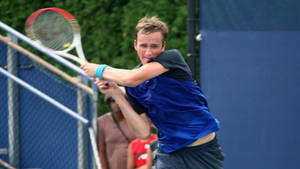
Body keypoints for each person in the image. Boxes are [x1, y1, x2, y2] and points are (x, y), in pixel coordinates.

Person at [81, 16, 224, 169]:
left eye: (154, 46)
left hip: (203, 152)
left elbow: (130, 78)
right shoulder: (134, 87)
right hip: (169, 156)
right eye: (143, 46)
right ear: (135, 45)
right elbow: (143, 133)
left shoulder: (172, 59)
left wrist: (99, 69)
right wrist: (116, 93)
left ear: (163, 47)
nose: (148, 52)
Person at [97, 87, 136, 169]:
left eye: (121, 99)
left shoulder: (135, 119)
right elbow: (101, 150)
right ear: (109, 103)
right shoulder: (102, 122)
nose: (117, 103)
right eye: (113, 100)